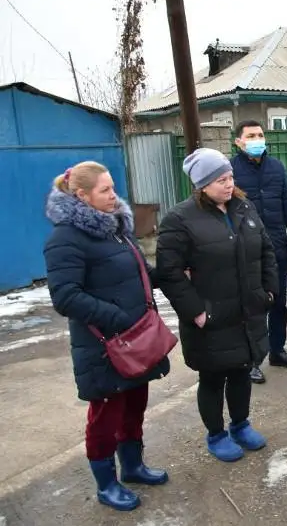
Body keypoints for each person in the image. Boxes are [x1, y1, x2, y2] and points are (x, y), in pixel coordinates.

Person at [44, 162, 170, 512]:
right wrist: (117, 318)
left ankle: (133, 466)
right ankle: (106, 484)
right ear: (81, 196)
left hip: (136, 341)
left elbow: (140, 273)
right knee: (105, 418)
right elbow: (65, 296)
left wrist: (172, 274)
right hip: (102, 346)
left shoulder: (117, 228)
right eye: (105, 190)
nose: (114, 195)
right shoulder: (66, 238)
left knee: (134, 406)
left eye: (113, 187)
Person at [157, 148, 279, 463]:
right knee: (212, 378)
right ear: (202, 184)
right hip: (211, 316)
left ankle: (240, 425)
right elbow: (170, 273)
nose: (229, 184)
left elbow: (266, 250)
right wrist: (196, 312)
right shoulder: (179, 219)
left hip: (247, 310)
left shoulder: (244, 207)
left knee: (241, 371)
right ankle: (216, 434)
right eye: (220, 180)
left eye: (230, 177)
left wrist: (269, 291)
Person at [232, 120, 287, 384]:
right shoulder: (231, 170)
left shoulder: (276, 167)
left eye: (260, 135)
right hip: (245, 249)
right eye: (251, 136)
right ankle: (252, 360)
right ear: (238, 142)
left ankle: (277, 350)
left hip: (275, 245)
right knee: (252, 306)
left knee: (278, 302)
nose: (257, 140)